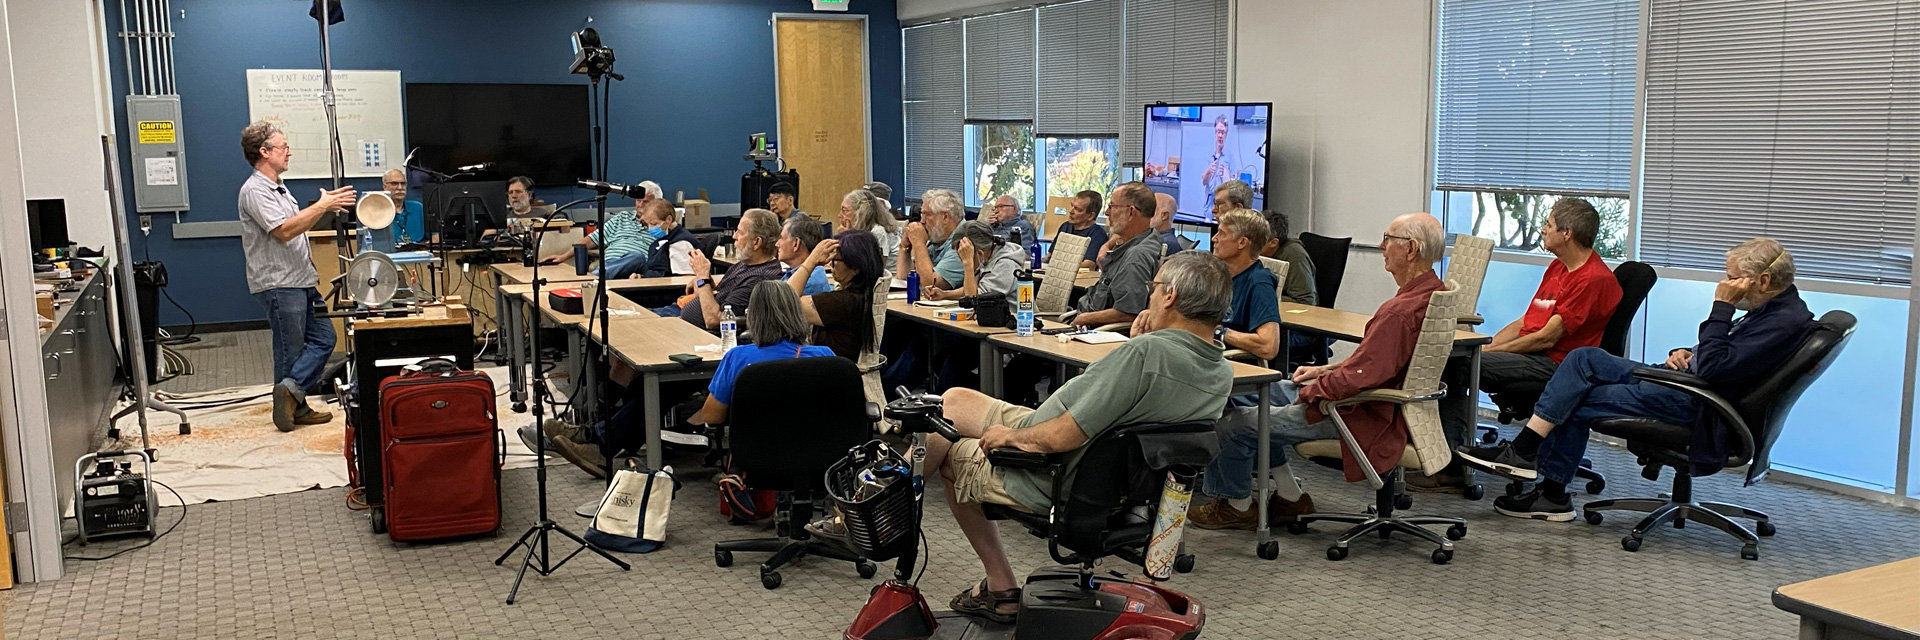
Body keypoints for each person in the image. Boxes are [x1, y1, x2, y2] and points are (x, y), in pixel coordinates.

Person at [924, 251, 1235, 623]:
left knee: (942, 441)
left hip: (1050, 468)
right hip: (1102, 466)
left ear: (1169, 296)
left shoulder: (1146, 355)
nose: (1149, 297)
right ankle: (893, 500)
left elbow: (1059, 437)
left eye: (1154, 288)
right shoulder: (1220, 370)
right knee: (954, 400)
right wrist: (1136, 345)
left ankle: (974, 571)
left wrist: (1008, 438)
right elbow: (1141, 403)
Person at [1456, 238, 1814, 521]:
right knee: (1585, 359)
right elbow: (1731, 356)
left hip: (1696, 402)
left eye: (1733, 277)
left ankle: (1550, 492)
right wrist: (1688, 351)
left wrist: (1721, 306)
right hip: (1689, 380)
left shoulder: (1782, 322)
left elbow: (1720, 366)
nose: (1726, 284)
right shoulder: (1775, 310)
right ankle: (1526, 455)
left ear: (1763, 280)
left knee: (1574, 397)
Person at [1189, 213, 1447, 530]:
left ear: (1411, 249)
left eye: (1388, 239)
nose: (1381, 247)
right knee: (1256, 396)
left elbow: (1367, 375)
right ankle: (1291, 496)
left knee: (1235, 423)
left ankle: (1237, 506)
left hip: (1355, 411)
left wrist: (1315, 389)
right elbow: (1381, 364)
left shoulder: (1400, 311)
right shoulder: (1429, 295)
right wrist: (1326, 369)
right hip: (1368, 400)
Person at [1427, 198, 1622, 492]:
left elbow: (1546, 338)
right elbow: (1525, 323)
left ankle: (1452, 467)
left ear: (1566, 233)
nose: (1543, 230)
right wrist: (1485, 345)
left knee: (1457, 364)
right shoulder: (1558, 268)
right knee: (1461, 358)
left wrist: (1485, 354)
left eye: (1548, 224)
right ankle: (1449, 452)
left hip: (1556, 366)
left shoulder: (1592, 280)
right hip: (1535, 354)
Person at [234, 120, 355, 432]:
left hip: (301, 279)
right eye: (283, 146)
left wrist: (325, 207)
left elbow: (296, 224)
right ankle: (291, 412)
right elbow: (285, 231)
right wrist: (322, 205)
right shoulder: (254, 191)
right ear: (264, 151)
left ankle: (291, 395)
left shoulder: (279, 189)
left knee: (325, 338)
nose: (289, 152)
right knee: (290, 348)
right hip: (279, 282)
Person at [684, 282, 839, 425]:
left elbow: (712, 417)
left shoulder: (737, 357)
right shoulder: (824, 357)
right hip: (814, 449)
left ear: (753, 316)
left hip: (753, 451)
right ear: (797, 314)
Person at [655, 208, 786, 331]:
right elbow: (720, 293)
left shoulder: (760, 279)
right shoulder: (745, 264)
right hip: (682, 317)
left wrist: (702, 277)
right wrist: (706, 281)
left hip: (698, 334)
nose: (734, 236)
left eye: (740, 232)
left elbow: (715, 320)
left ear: (756, 242)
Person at [1067, 182, 1163, 329]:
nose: (1106, 212)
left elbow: (1129, 313)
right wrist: (1108, 244)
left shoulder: (1136, 257)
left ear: (1131, 212)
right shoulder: (1146, 239)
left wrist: (1084, 318)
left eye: (1112, 206)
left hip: (1096, 332)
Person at [786, 230, 886, 360]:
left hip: (829, 372)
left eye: (835, 260)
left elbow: (785, 302)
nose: (829, 264)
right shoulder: (862, 295)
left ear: (855, 267)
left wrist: (811, 262)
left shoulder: (842, 303)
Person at [1211, 209, 1282, 364]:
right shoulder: (1218, 273)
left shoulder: (1259, 283)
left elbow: (1268, 346)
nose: (1214, 239)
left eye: (1222, 234)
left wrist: (1219, 332)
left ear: (1242, 242)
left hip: (1229, 366)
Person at [538, 197, 652, 279]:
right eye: (638, 200)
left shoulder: (660, 224)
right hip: (609, 263)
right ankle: (595, 279)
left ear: (656, 203)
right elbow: (592, 239)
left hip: (638, 266)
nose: (640, 205)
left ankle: (592, 280)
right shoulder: (622, 217)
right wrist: (563, 256)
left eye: (646, 202)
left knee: (637, 256)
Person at [927, 221, 1028, 301]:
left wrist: (968, 265)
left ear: (980, 254)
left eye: (963, 258)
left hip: (1016, 322)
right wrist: (945, 294)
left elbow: (974, 300)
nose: (962, 261)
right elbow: (974, 289)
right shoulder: (988, 256)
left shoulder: (1006, 265)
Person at [896, 188, 967, 295]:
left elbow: (930, 286)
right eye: (922, 214)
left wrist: (919, 243)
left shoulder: (963, 241)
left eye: (927, 215)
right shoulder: (938, 236)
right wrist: (905, 246)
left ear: (945, 217)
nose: (922, 221)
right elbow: (904, 280)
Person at [1260, 209, 1317, 306]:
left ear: (1273, 243)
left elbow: (1305, 301)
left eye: (1255, 239)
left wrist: (1261, 296)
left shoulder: (1294, 255)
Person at [1046, 190, 1108, 270]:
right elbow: (1050, 256)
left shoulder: (1098, 234)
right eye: (1072, 205)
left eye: (1077, 209)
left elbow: (1089, 265)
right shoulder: (1065, 226)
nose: (1071, 211)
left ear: (1090, 216)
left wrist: (1059, 265)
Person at [636, 198, 698, 278]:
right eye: (648, 224)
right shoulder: (663, 241)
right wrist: (642, 277)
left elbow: (686, 280)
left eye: (654, 224)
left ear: (668, 220)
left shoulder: (680, 244)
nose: (650, 228)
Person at [840, 188, 901, 266]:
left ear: (860, 212)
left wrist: (847, 239)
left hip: (890, 276)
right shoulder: (864, 230)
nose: (840, 215)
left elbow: (874, 268)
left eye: (845, 210)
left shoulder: (878, 232)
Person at [777, 216, 835, 296]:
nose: (777, 244)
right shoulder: (796, 272)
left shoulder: (809, 282)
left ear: (796, 244)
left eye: (781, 238)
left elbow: (782, 302)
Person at [379, 169, 427, 246]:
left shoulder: (418, 208)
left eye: (403, 183)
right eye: (394, 183)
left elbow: (435, 237)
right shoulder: (377, 211)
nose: (400, 187)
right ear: (385, 187)